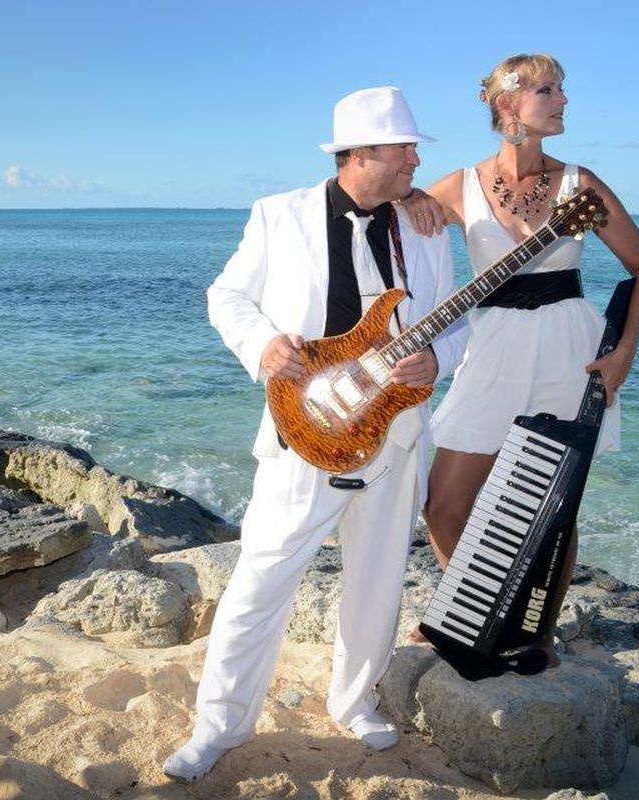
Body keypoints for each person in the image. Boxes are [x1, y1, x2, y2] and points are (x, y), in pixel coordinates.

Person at [162, 86, 468, 783]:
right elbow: (225, 296)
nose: (417, 159)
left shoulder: (423, 226)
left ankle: (355, 700)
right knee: (260, 579)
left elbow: (455, 323)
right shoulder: (280, 215)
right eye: (405, 149)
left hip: (393, 432)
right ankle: (219, 725)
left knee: (380, 578)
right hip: (306, 431)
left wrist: (439, 358)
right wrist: (264, 344)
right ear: (361, 154)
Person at [404, 53, 639, 655]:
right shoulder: (460, 185)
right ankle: (471, 607)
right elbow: (390, 231)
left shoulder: (581, 183)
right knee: (443, 502)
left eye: (562, 89)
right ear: (508, 105)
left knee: (553, 502)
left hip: (569, 345)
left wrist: (623, 353)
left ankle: (534, 634)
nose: (563, 100)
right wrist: (412, 195)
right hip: (492, 343)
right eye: (548, 90)